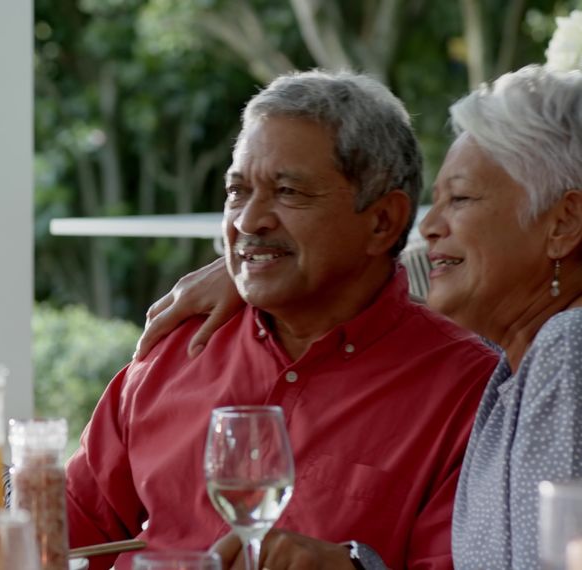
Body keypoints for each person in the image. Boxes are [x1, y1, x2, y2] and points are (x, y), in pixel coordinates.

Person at [136, 65, 582, 569]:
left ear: (564, 223)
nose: (429, 227)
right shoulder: (514, 367)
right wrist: (258, 266)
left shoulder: (565, 352)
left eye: (459, 199)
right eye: (238, 192)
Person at [64, 70, 498, 570]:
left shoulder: (467, 393)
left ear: (382, 222)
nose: (248, 221)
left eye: (288, 191)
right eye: (237, 191)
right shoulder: (179, 347)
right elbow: (65, 534)